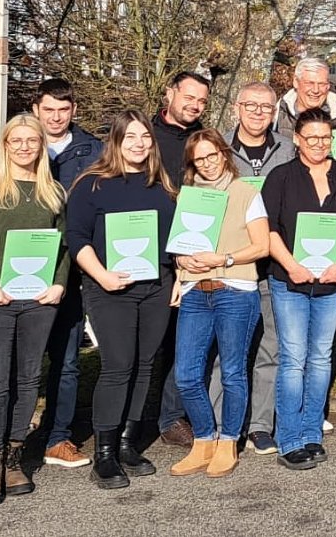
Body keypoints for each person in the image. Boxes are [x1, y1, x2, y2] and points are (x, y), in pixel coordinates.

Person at [66, 111, 177, 489]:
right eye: (130, 136)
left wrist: (178, 277)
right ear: (115, 140)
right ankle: (105, 453)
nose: (139, 144)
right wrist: (101, 275)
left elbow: (175, 239)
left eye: (145, 136)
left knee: (145, 365)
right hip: (110, 288)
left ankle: (128, 443)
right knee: (117, 366)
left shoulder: (161, 185)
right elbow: (77, 238)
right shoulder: (92, 185)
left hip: (156, 286)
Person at [0, 114, 68, 505]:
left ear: (42, 145)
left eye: (32, 141)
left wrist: (59, 283)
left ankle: (13, 457)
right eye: (16, 141)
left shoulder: (53, 191)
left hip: (38, 301)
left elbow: (64, 244)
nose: (24, 147)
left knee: (28, 379)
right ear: (5, 144)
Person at [262, 107, 336, 469]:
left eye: (326, 138)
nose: (320, 144)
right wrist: (291, 266)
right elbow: (269, 229)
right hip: (289, 281)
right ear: (297, 139)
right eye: (312, 138)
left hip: (332, 281)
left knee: (321, 357)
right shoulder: (281, 177)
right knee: (294, 359)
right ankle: (289, 439)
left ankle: (311, 433)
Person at [167, 129, 271, 480]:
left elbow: (261, 246)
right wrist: (181, 264)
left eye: (212, 155)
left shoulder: (245, 193)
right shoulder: (188, 196)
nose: (208, 164)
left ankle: (228, 441)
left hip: (235, 290)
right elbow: (180, 246)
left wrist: (223, 259)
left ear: (224, 154)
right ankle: (203, 439)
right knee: (186, 374)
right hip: (195, 291)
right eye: (199, 159)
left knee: (232, 371)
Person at [215, 81, 295, 457]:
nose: (259, 113)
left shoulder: (288, 149)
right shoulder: (218, 148)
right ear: (237, 107)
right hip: (230, 265)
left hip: (274, 265)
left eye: (266, 107)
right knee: (226, 352)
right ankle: (222, 426)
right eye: (251, 105)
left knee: (272, 348)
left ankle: (261, 426)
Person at [31, 77, 101, 469]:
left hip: (73, 266)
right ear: (36, 109)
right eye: (48, 110)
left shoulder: (94, 150)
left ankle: (58, 437)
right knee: (20, 360)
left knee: (67, 358)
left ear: (73, 110)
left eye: (63, 110)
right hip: (27, 264)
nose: (56, 117)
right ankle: (8, 439)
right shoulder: (20, 144)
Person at [152, 71, 209, 448]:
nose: (195, 106)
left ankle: (172, 417)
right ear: (170, 93)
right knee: (149, 342)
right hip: (148, 251)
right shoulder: (144, 135)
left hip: (191, 251)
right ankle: (135, 418)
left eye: (202, 101)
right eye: (189, 97)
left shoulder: (203, 140)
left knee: (185, 341)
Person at [274, 57, 336, 162]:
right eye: (309, 83)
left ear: (328, 85)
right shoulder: (276, 120)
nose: (316, 90)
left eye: (322, 84)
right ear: (296, 82)